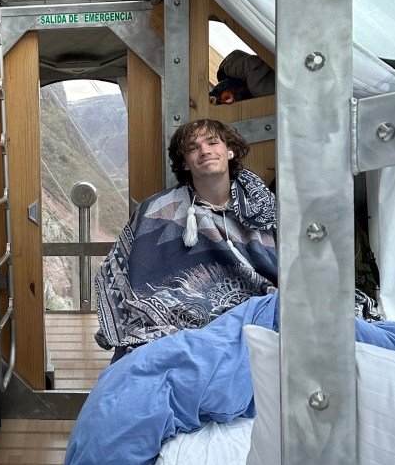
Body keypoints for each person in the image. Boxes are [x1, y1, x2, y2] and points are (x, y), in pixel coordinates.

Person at [95, 119, 278, 360]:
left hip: (256, 316)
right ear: (184, 163)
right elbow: (118, 269)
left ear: (229, 151)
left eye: (213, 142)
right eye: (193, 147)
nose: (205, 150)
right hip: (176, 327)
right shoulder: (157, 210)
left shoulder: (265, 209)